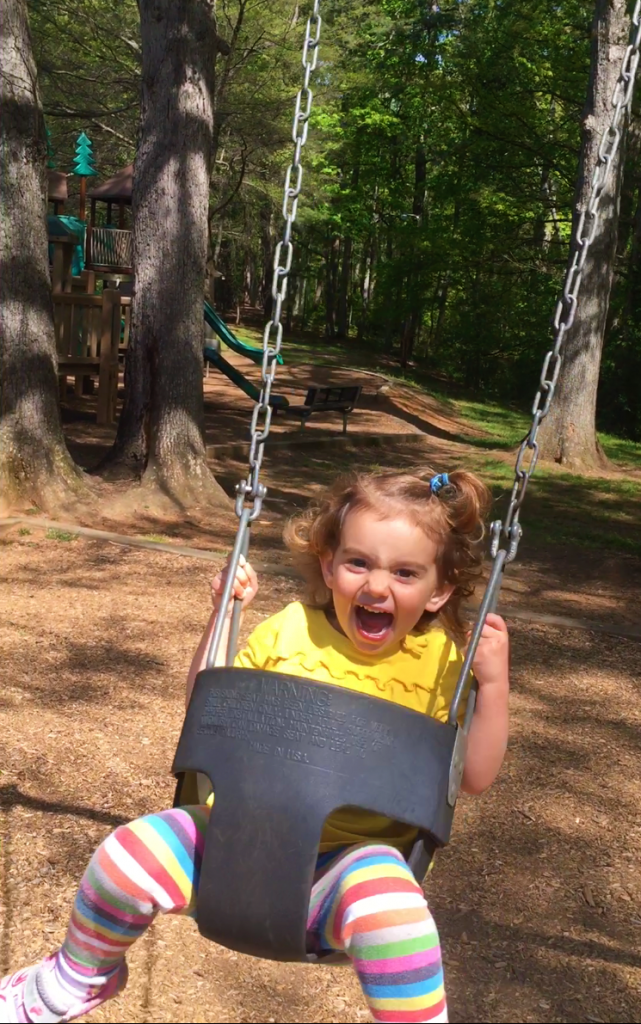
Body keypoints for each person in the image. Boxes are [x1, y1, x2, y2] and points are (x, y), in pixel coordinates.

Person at [0, 470, 510, 1024]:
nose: (377, 587)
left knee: (394, 912)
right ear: (328, 564)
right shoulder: (290, 631)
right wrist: (223, 615)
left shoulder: (444, 667)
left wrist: (495, 685)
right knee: (128, 853)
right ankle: (79, 978)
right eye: (358, 562)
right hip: (235, 845)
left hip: (346, 871)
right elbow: (207, 711)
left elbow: (474, 778)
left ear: (439, 590)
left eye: (405, 573)